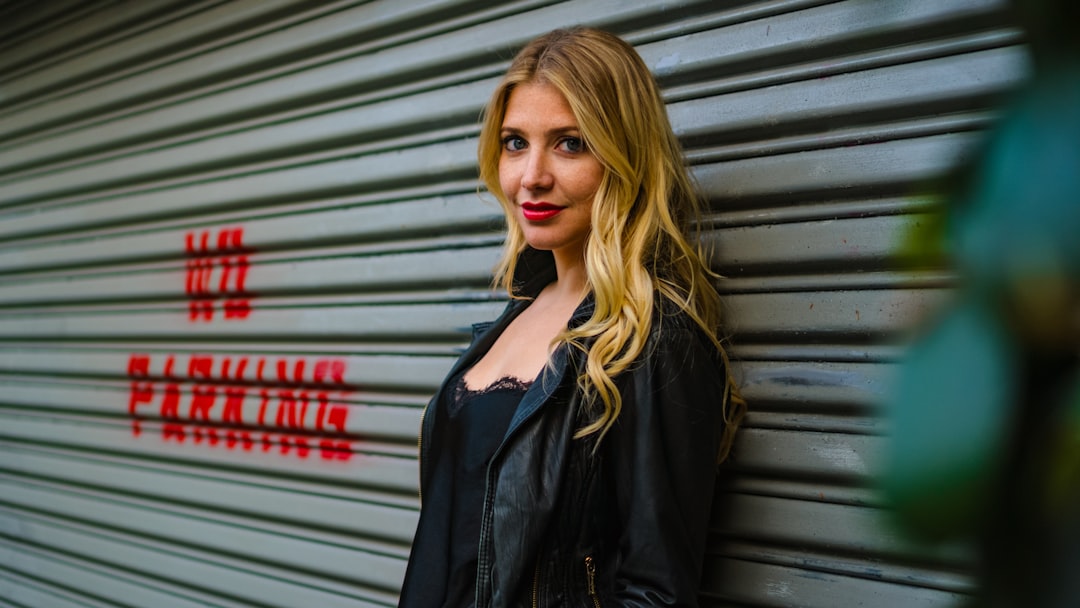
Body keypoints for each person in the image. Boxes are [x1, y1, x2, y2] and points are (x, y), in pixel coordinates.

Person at [398, 27, 745, 608]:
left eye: (570, 143)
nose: (531, 175)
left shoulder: (654, 341)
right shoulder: (514, 318)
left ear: (625, 154)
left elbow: (657, 593)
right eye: (515, 143)